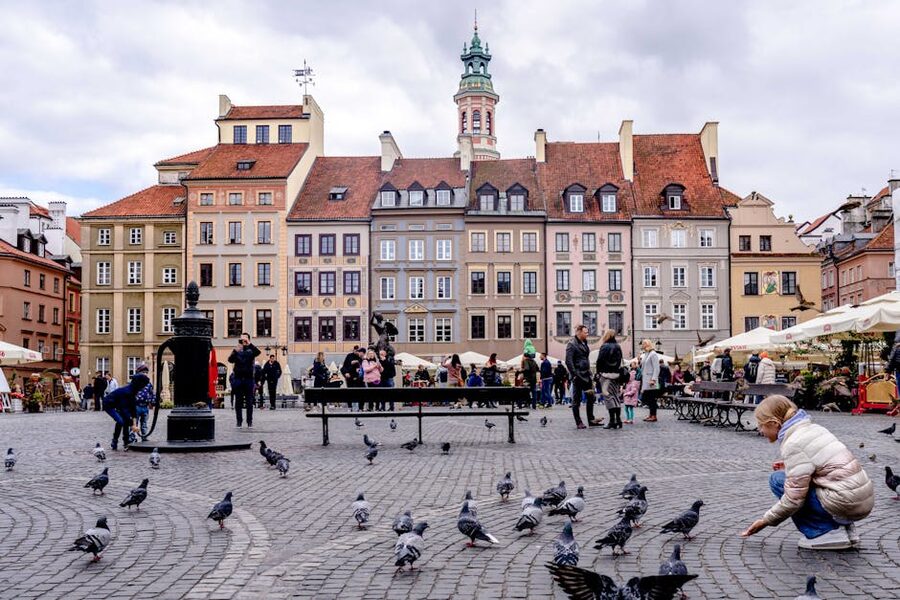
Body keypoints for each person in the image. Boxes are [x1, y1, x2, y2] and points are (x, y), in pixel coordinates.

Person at [740, 395, 874, 550]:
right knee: (791, 478)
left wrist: (765, 521)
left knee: (777, 480)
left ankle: (824, 532)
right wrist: (788, 464)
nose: (760, 430)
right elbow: (823, 461)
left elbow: (793, 500)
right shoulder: (813, 428)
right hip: (860, 500)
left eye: (761, 425)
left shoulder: (793, 443)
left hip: (845, 503)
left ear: (774, 423)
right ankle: (844, 528)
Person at [102, 369, 150, 451]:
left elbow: (133, 407)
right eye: (144, 385)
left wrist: (133, 423)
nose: (144, 387)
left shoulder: (133, 391)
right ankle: (115, 441)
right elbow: (124, 409)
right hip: (108, 404)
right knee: (121, 421)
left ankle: (125, 442)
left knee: (125, 421)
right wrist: (133, 425)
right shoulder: (128, 392)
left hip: (118, 404)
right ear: (139, 384)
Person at [565, 324, 602, 429]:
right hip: (578, 375)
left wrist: (589, 371)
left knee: (591, 397)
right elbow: (569, 361)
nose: (587, 334)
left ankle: (591, 420)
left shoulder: (584, 343)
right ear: (579, 332)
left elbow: (585, 359)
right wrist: (574, 375)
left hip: (586, 374)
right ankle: (579, 422)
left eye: (587, 332)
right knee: (576, 400)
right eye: (585, 332)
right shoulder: (572, 344)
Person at [228, 332, 261, 428]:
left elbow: (258, 352)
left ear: (248, 340)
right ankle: (239, 421)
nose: (243, 341)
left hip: (248, 379)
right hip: (238, 379)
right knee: (238, 401)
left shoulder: (251, 350)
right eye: (241, 339)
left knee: (249, 401)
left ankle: (249, 421)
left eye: (245, 339)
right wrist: (235, 350)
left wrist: (249, 344)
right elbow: (230, 360)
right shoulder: (237, 350)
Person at [595, 329, 624, 429]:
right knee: (615, 397)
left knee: (608, 398)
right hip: (616, 375)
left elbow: (599, 360)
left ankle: (612, 421)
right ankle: (618, 420)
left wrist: (598, 372)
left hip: (606, 375)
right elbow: (620, 360)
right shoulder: (618, 346)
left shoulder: (604, 346)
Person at [640, 339, 661, 422]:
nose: (642, 345)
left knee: (651, 398)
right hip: (646, 380)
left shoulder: (653, 354)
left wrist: (653, 379)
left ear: (647, 344)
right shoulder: (646, 354)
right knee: (648, 398)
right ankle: (651, 414)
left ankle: (654, 415)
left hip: (651, 380)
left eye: (643, 344)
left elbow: (657, 368)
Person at [133, 363, 155, 441]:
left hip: (145, 406)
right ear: (139, 373)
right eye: (143, 372)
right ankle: (132, 436)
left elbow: (152, 393)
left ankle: (144, 436)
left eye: (146, 372)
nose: (145, 374)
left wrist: (153, 402)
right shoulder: (135, 382)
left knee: (144, 423)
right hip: (136, 406)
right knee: (135, 423)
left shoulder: (149, 384)